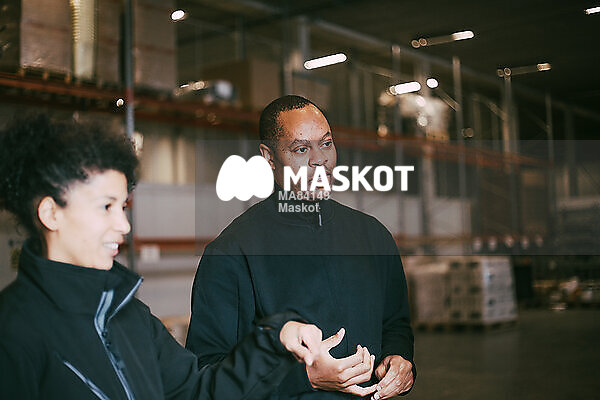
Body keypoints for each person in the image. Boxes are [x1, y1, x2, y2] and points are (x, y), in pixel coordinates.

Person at [0, 114, 327, 400]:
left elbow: (199, 391)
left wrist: (275, 339)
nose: (124, 225)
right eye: (106, 207)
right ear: (51, 213)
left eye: (123, 207)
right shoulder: (14, 331)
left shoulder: (128, 316)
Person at [186, 95, 416, 399]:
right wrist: (304, 379)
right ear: (269, 158)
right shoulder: (232, 253)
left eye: (326, 143)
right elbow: (208, 373)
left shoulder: (373, 236)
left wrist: (399, 359)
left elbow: (395, 324)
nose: (320, 159)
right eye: (301, 149)